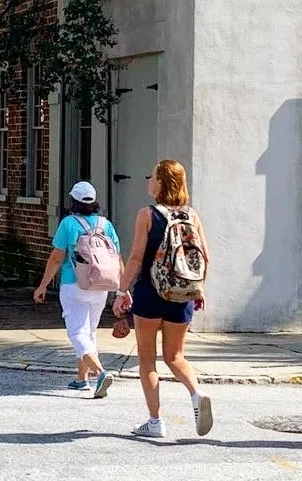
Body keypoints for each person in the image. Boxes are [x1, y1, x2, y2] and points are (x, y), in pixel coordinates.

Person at [113, 159, 213, 440]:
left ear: (160, 183)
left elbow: (135, 258)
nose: (149, 180)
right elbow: (205, 257)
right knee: (176, 355)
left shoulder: (147, 214)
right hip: (183, 294)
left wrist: (121, 293)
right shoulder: (192, 215)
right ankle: (196, 393)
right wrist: (199, 289)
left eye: (152, 175)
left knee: (148, 359)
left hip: (150, 292)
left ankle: (155, 421)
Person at [33, 181, 121, 398]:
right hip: (101, 286)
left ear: (74, 201)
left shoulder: (68, 224)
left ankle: (100, 373)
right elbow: (118, 258)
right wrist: (122, 289)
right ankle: (82, 379)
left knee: (77, 332)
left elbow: (56, 258)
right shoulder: (105, 224)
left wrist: (43, 285)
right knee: (89, 332)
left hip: (74, 284)